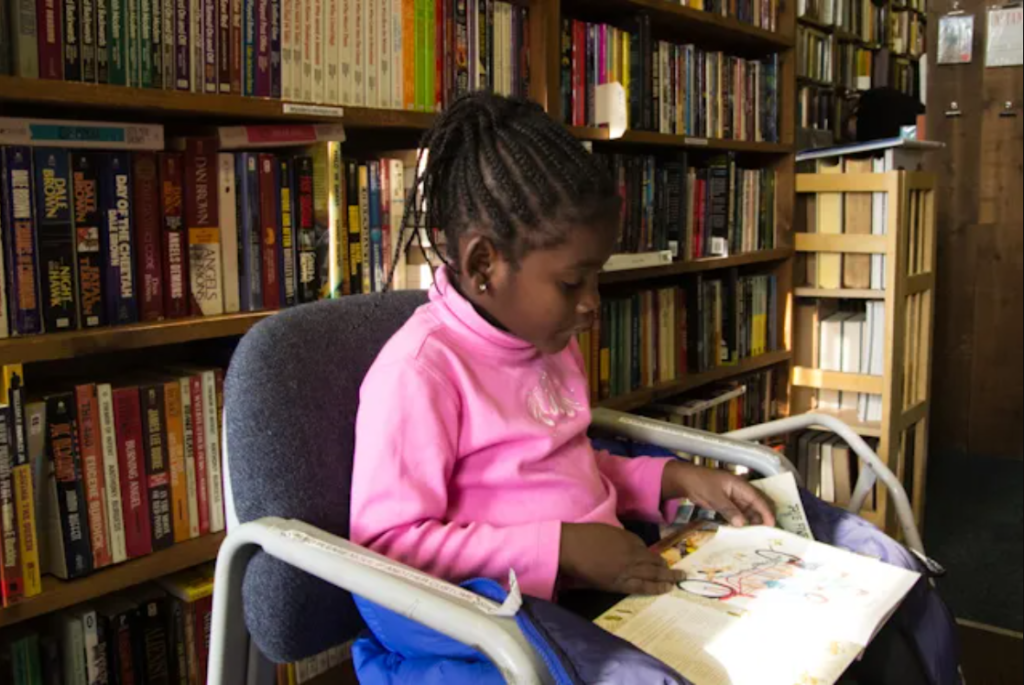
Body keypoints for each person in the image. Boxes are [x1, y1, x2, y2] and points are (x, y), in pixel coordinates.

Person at [350, 92, 958, 685]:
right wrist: (560, 550)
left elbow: (565, 469)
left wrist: (672, 479)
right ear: (484, 265)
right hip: (517, 603)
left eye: (597, 278)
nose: (592, 305)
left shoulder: (547, 340)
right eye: (572, 283)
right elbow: (386, 547)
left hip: (601, 573)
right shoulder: (420, 371)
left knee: (874, 577)